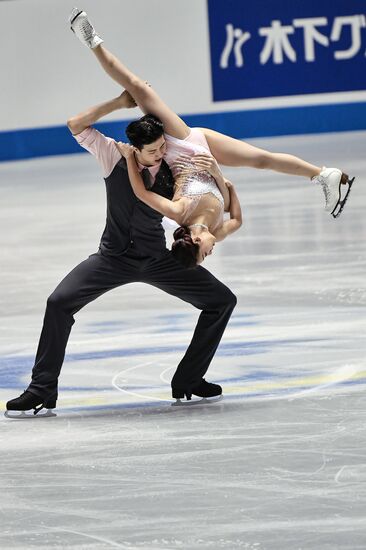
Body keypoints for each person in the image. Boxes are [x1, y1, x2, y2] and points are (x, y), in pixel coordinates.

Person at [5, 89, 237, 418]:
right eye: (153, 151)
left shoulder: (173, 168)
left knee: (221, 301)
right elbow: (75, 125)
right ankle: (41, 390)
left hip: (158, 259)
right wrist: (117, 103)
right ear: (136, 149)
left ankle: (189, 379)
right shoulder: (113, 156)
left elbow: (214, 200)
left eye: (162, 148)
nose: (160, 154)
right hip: (111, 259)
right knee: (58, 303)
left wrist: (214, 176)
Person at [69, 8, 354, 220]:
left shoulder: (162, 132)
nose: (156, 152)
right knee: (261, 159)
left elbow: (132, 84)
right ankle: (323, 174)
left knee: (135, 86)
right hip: (196, 152)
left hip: (188, 146)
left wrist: (94, 44)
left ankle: (92, 40)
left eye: (157, 148)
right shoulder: (132, 153)